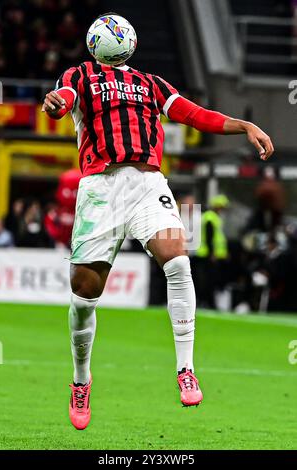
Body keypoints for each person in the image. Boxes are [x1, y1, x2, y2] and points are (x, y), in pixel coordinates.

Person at [42, 12, 274, 430]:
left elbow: (194, 114)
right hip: (100, 187)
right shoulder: (78, 75)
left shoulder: (150, 82)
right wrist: (54, 103)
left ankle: (185, 369)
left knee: (178, 260)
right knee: (84, 293)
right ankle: (81, 379)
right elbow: (62, 103)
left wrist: (244, 125)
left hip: (149, 184)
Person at [196, 195, 230, 308]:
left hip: (209, 253)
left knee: (209, 280)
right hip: (207, 254)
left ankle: (208, 302)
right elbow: (209, 237)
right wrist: (212, 253)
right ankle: (208, 302)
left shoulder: (211, 217)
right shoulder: (210, 218)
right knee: (208, 280)